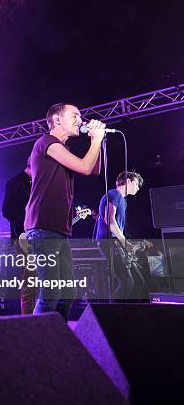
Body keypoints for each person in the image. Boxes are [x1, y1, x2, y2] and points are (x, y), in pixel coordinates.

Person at [24, 103, 105, 319]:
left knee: (67, 292)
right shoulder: (47, 142)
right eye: (75, 115)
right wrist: (95, 140)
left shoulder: (64, 149)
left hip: (58, 229)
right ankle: (33, 342)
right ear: (57, 119)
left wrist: (98, 140)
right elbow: (85, 167)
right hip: (43, 226)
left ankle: (57, 339)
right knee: (51, 291)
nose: (81, 120)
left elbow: (94, 168)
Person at [93, 171, 144, 299]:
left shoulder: (123, 201)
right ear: (128, 181)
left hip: (117, 243)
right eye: (137, 184)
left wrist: (128, 245)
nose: (138, 188)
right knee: (127, 282)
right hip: (110, 243)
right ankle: (109, 315)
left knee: (138, 281)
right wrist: (125, 243)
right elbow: (109, 220)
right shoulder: (114, 194)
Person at [2, 158, 35, 314]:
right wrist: (22, 230)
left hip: (35, 236)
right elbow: (7, 210)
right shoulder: (15, 182)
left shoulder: (34, 183)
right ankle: (28, 319)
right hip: (22, 237)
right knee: (29, 279)